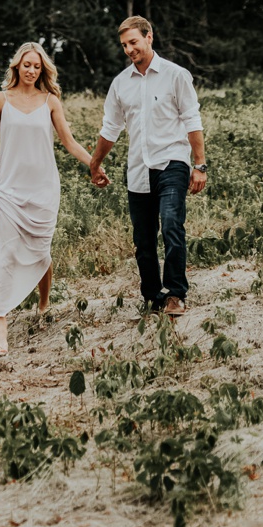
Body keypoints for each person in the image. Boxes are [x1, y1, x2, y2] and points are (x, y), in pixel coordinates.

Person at [0, 42, 96, 355]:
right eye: (27, 65)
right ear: (17, 66)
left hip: (44, 188)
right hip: (8, 188)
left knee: (42, 252)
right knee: (5, 254)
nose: (31, 71)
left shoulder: (50, 101)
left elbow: (69, 143)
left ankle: (43, 307)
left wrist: (94, 165)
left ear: (43, 71)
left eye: (37, 67)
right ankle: (1, 326)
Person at [87, 16, 207, 318]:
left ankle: (176, 294)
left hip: (172, 163)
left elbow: (192, 119)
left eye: (134, 42)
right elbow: (110, 128)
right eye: (124, 45)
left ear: (149, 37)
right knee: (142, 240)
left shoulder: (176, 75)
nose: (129, 49)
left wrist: (200, 165)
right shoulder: (120, 84)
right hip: (138, 169)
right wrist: (95, 164)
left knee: (170, 225)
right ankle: (153, 297)